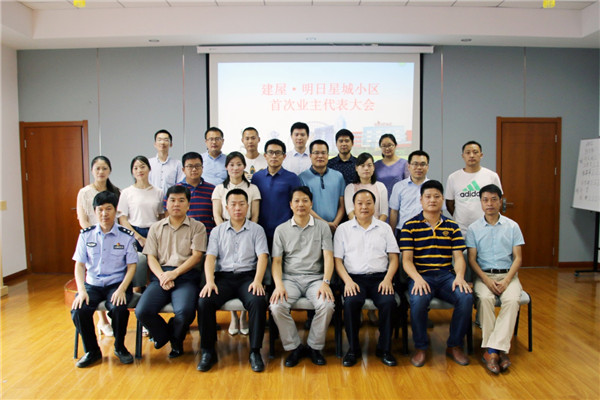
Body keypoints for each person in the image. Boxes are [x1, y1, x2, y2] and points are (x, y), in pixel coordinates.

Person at [399, 180, 473, 368]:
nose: (432, 200)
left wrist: (459, 277)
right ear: (421, 200)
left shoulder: (452, 226)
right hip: (421, 276)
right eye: (428, 196)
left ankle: (454, 345)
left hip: (446, 276)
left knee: (465, 297)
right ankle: (421, 347)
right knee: (418, 301)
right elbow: (406, 260)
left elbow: (458, 257)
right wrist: (417, 279)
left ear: (442, 199)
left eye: (436, 196)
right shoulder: (410, 226)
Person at [197, 189, 269, 373]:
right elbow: (210, 258)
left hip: (248, 278)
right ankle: (208, 351)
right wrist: (210, 281)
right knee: (205, 301)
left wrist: (258, 281)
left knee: (258, 301)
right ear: (226, 208)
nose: (238, 208)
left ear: (248, 206)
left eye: (242, 204)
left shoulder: (257, 230)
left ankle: (255, 351)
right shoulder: (217, 231)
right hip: (224, 278)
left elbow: (262, 257)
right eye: (233, 204)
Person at [135, 185, 207, 359]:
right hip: (161, 276)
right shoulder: (156, 227)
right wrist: (162, 276)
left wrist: (174, 274)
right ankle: (164, 335)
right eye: (173, 200)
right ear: (166, 204)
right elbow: (151, 257)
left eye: (181, 200)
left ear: (188, 205)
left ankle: (176, 340)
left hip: (186, 276)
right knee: (142, 311)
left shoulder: (198, 227)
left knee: (185, 312)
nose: (176, 204)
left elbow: (197, 256)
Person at [269, 186, 335, 367]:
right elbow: (276, 262)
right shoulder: (281, 230)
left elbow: (328, 257)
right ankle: (295, 347)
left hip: (316, 279)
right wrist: (279, 285)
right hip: (290, 279)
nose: (301, 204)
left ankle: (314, 346)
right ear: (290, 204)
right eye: (296, 201)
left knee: (327, 305)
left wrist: (326, 282)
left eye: (305, 200)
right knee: (276, 305)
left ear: (311, 203)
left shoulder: (322, 227)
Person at [334, 189, 400, 367]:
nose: (364, 207)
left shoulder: (384, 228)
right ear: (353, 206)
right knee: (351, 303)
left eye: (368, 203)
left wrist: (388, 279)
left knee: (388, 303)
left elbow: (394, 258)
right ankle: (353, 349)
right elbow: (337, 261)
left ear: (374, 206)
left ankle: (384, 349)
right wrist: (348, 281)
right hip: (354, 279)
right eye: (360, 203)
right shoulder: (343, 229)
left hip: (380, 278)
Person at [71, 191, 137, 368]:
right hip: (92, 284)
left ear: (115, 211)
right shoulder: (86, 235)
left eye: (109, 209)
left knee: (119, 308)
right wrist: (81, 291)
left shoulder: (126, 235)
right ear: (95, 212)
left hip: (117, 284)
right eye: (100, 209)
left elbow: (132, 266)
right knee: (78, 310)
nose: (104, 213)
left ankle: (120, 347)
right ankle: (92, 351)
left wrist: (122, 289)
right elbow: (79, 265)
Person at [466, 184, 524, 374]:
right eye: (485, 200)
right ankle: (500, 350)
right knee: (485, 298)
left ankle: (492, 351)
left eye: (493, 199)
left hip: (508, 275)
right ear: (481, 203)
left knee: (512, 300)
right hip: (484, 276)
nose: (489, 203)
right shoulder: (473, 229)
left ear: (500, 201)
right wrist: (486, 280)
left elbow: (518, 258)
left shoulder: (512, 226)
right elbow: (472, 260)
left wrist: (506, 281)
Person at [212, 151, 262, 336]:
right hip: (225, 232)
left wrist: (247, 231)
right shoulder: (219, 188)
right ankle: (234, 316)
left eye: (239, 164)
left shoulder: (253, 188)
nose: (235, 168)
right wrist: (225, 232)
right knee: (228, 268)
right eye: (231, 164)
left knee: (244, 268)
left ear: (244, 166)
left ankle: (243, 316)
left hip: (248, 231)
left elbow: (255, 215)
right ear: (226, 167)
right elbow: (217, 214)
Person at [76, 155, 121, 337]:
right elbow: (83, 219)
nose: (101, 172)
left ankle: (111, 314)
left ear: (109, 170)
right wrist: (96, 236)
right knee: (96, 276)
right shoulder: (84, 192)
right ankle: (102, 321)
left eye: (104, 168)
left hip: (114, 238)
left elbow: (119, 217)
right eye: (97, 168)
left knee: (112, 276)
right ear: (92, 171)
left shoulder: (116, 191)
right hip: (93, 240)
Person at [251, 138, 301, 250]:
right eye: (270, 152)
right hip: (261, 230)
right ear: (265, 155)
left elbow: (297, 204)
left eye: (278, 153)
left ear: (284, 156)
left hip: (285, 231)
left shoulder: (292, 178)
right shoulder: (257, 177)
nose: (274, 156)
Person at [445, 140, 502, 234]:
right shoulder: (453, 177)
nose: (471, 155)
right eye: (468, 153)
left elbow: (498, 200)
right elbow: (449, 204)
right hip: (461, 228)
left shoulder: (492, 176)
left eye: (475, 152)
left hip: (486, 227)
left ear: (481, 155)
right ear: (463, 156)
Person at [118, 156, 164, 252]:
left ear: (149, 169)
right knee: (136, 260)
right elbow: (123, 220)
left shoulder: (159, 192)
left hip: (154, 232)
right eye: (135, 168)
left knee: (154, 259)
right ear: (132, 172)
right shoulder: (126, 192)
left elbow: (162, 217)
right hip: (133, 233)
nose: (139, 170)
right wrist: (139, 237)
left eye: (143, 167)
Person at [299, 140, 345, 233]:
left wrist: (334, 224)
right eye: (316, 153)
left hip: (335, 228)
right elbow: (304, 206)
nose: (320, 156)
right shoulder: (302, 178)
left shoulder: (338, 176)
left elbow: (342, 205)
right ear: (310, 155)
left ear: (328, 155)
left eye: (323, 153)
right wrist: (325, 224)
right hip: (311, 228)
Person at [169, 151, 216, 236]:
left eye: (197, 166)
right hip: (182, 236)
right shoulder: (174, 190)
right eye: (190, 166)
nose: (194, 169)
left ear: (202, 168)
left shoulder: (212, 189)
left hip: (206, 235)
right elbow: (168, 215)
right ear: (183, 170)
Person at [389, 150, 430, 237]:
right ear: (409, 166)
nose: (419, 167)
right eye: (415, 164)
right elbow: (394, 212)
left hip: (428, 232)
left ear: (427, 167)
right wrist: (391, 236)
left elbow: (439, 211)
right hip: (404, 231)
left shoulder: (433, 187)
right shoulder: (399, 186)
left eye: (423, 164)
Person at [344, 152, 388, 221]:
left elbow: (384, 213)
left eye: (369, 165)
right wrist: (360, 226)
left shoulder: (381, 186)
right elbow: (350, 213)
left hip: (377, 225)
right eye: (362, 166)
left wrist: (376, 226)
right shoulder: (350, 188)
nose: (366, 168)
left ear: (373, 167)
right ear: (356, 168)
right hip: (355, 226)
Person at [148, 129, 185, 194]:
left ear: (171, 144)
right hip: (152, 198)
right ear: (155, 144)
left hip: (170, 199)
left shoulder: (177, 164)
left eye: (166, 140)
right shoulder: (149, 163)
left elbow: (180, 184)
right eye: (159, 140)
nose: (162, 142)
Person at [374, 134, 409, 199]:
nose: (387, 148)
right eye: (384, 146)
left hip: (399, 200)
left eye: (389, 145)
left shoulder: (404, 163)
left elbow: (408, 185)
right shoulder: (376, 165)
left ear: (395, 145)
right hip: (380, 201)